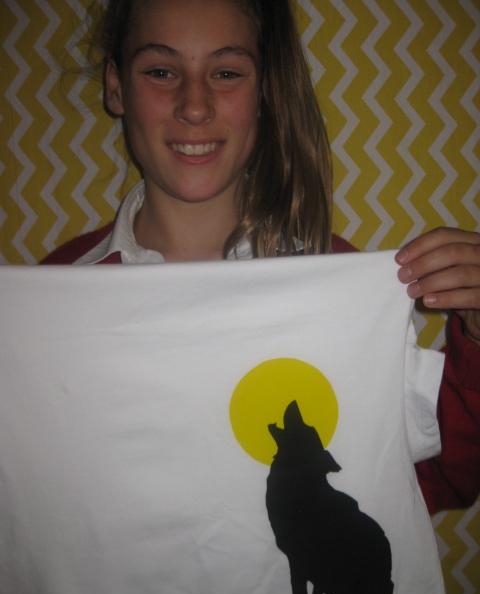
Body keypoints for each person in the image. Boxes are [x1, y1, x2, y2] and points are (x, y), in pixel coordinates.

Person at [42, 0, 480, 515]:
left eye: (226, 73)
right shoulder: (51, 298)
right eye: (161, 72)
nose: (195, 106)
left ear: (264, 91)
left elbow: (433, 482)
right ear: (116, 86)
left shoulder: (336, 284)